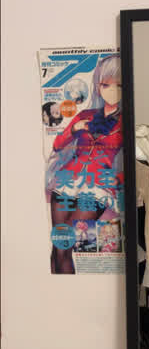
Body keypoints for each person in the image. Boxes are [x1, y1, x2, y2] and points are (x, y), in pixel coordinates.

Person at [45, 54, 123, 273]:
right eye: (105, 84)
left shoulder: (126, 121)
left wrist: (118, 180)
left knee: (66, 244)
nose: (111, 90)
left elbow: (132, 161)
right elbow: (58, 145)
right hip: (67, 180)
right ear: (98, 86)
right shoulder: (86, 114)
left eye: (118, 85)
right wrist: (74, 129)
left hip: (98, 185)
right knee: (59, 246)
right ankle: (58, 290)